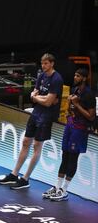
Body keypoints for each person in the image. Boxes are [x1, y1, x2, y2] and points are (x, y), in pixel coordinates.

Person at [0, 53, 63, 189]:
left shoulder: (57, 79)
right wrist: (40, 98)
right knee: (26, 142)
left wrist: (37, 98)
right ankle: (14, 174)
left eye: (46, 63)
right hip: (36, 112)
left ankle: (25, 179)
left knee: (36, 146)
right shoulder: (41, 76)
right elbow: (35, 93)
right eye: (42, 63)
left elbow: (48, 102)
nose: (43, 66)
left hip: (47, 116)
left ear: (52, 63)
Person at [43, 68, 96, 201]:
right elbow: (70, 108)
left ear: (84, 78)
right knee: (65, 156)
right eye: (74, 75)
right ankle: (57, 186)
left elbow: (91, 116)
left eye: (77, 76)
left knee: (72, 158)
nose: (75, 77)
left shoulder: (89, 94)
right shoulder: (74, 90)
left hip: (80, 129)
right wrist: (69, 109)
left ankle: (64, 190)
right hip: (70, 125)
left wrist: (77, 104)